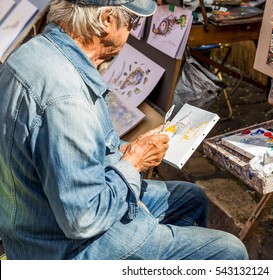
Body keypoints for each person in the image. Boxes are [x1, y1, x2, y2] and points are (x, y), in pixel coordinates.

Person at [0, 0, 248, 260]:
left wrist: (124, 150)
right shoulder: (67, 100)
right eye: (132, 22)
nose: (132, 31)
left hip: (39, 219)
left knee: (191, 197)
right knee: (229, 250)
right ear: (107, 20)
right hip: (61, 247)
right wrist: (133, 162)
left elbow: (69, 155)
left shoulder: (32, 52)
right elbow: (84, 218)